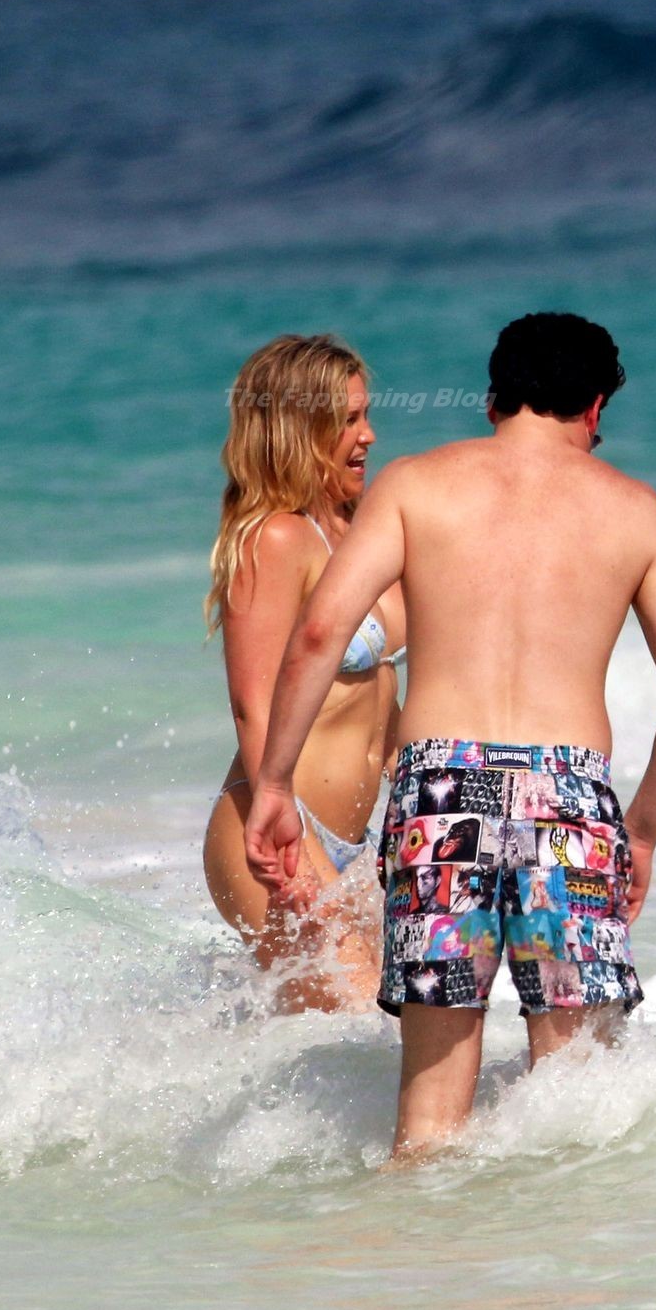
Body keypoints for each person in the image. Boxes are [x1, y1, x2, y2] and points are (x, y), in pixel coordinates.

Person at [244, 312, 656, 1158]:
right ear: (596, 408)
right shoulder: (635, 510)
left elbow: (318, 634)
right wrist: (642, 830)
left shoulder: (414, 485)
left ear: (494, 398)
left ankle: (416, 1242)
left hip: (441, 796)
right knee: (574, 1107)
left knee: (430, 1117)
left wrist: (274, 783)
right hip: (568, 807)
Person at [202, 334, 406, 1014]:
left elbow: (379, 694)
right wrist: (301, 846)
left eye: (366, 415)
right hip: (277, 827)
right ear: (299, 430)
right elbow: (253, 705)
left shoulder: (358, 532)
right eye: (348, 420)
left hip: (357, 840)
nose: (368, 435)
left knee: (374, 1031)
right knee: (362, 1024)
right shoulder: (277, 538)